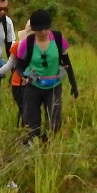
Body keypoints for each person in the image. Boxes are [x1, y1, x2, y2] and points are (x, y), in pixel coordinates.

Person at [11, 9, 79, 141]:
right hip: (33, 87)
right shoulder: (27, 44)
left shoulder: (58, 39)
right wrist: (24, 76)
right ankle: (30, 147)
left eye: (45, 28)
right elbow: (19, 66)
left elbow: (67, 63)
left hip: (54, 87)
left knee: (54, 122)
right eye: (39, 29)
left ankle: (47, 146)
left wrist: (73, 85)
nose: (43, 32)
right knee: (31, 123)